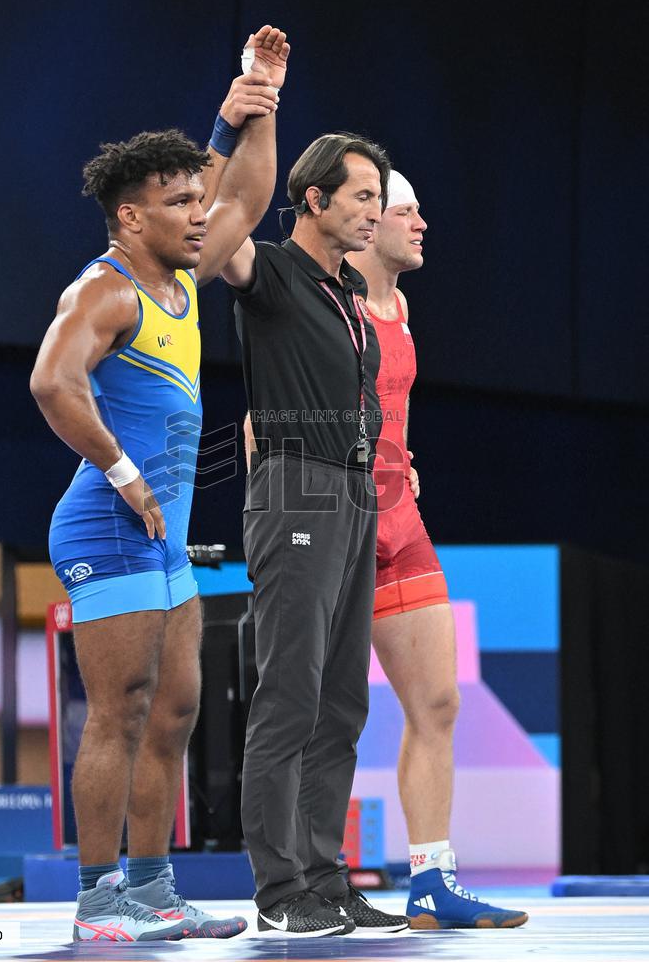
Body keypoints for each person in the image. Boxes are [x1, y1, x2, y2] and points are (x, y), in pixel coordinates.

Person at [30, 25, 289, 942]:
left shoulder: (182, 277)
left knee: (173, 708)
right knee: (121, 709)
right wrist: (126, 473)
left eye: (195, 200)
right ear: (132, 217)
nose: (198, 214)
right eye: (179, 203)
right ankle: (99, 900)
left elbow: (249, 192)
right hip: (109, 523)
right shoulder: (104, 292)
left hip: (162, 534)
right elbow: (51, 384)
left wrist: (254, 100)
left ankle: (153, 889)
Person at [221, 134, 410, 937]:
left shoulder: (346, 292)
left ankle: (327, 881)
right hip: (295, 489)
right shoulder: (268, 272)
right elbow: (220, 221)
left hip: (353, 493)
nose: (378, 211)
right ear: (313, 199)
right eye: (364, 196)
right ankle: (278, 893)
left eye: (379, 197)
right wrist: (247, 118)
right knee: (290, 698)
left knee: (341, 706)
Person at [347, 169, 529, 930]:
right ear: (368, 222)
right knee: (325, 715)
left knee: (439, 702)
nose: (422, 223)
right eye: (407, 211)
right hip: (337, 522)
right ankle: (303, 881)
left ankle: (430, 883)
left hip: (401, 520)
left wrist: (405, 458)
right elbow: (267, 420)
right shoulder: (331, 305)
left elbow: (399, 403)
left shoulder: (400, 304)